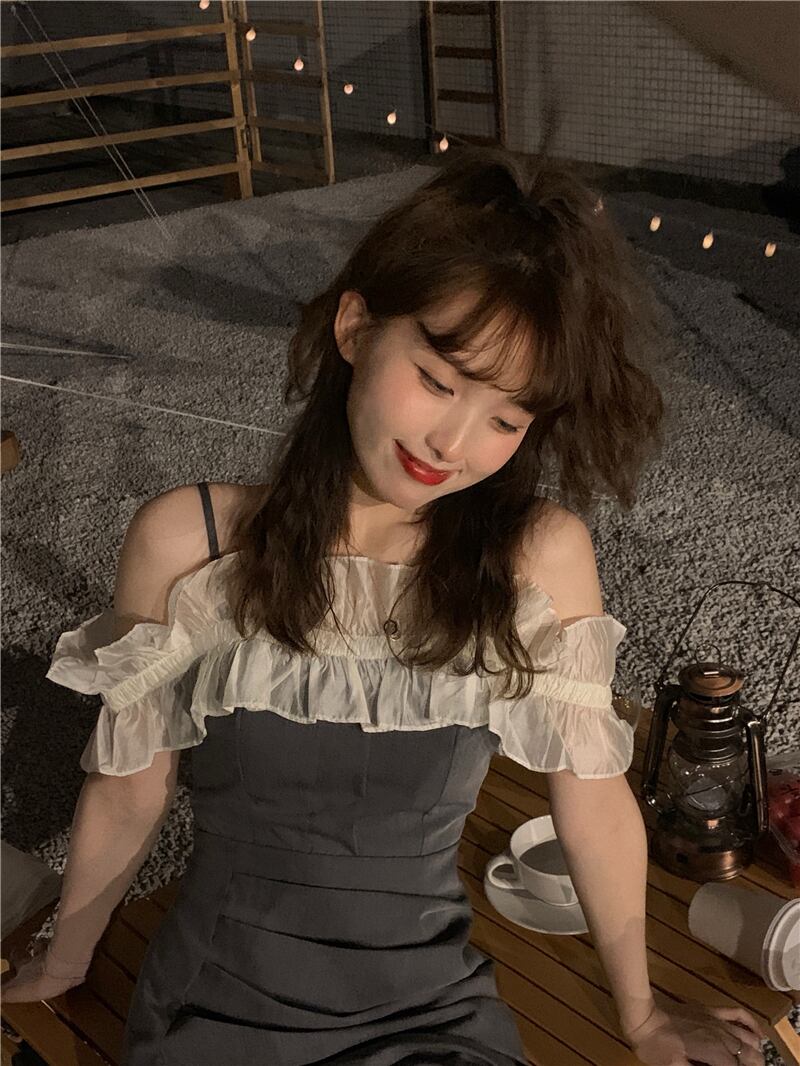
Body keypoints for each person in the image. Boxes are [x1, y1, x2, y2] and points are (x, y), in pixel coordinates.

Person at [2, 146, 767, 1066]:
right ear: (356, 327)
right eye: (439, 381)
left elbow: (592, 798)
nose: (453, 443)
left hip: (431, 1010)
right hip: (220, 1002)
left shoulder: (537, 555)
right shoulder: (191, 541)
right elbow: (132, 788)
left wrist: (640, 1015)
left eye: (506, 418)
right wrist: (66, 958)